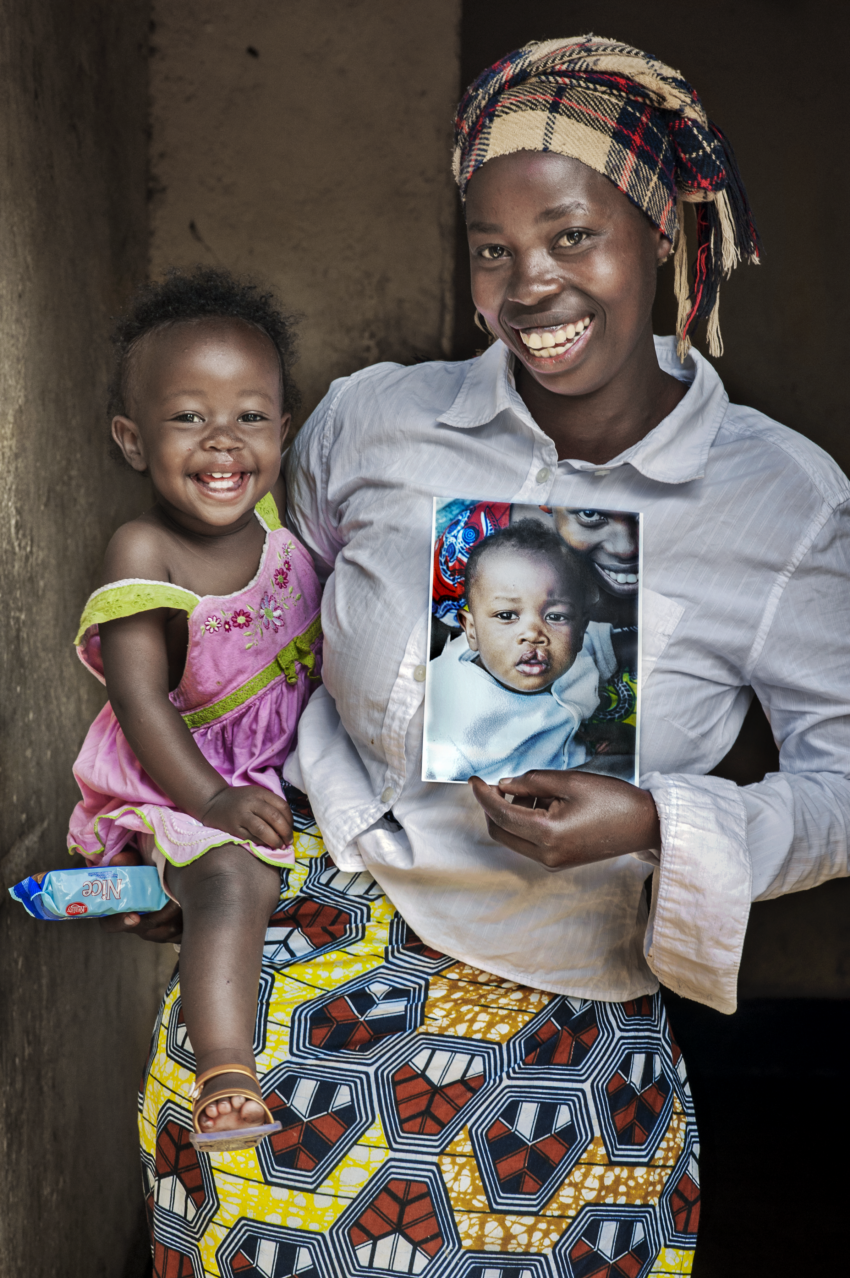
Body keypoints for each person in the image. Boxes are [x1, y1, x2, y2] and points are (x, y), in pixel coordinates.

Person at [130, 36, 849, 1276]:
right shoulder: (374, 421)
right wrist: (187, 822)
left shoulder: (783, 506)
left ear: (665, 236)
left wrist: (655, 822)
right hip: (304, 968)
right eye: (492, 249)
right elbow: (258, 629)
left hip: (569, 1025)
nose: (531, 288)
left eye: (572, 236)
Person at [69, 268, 322, 1151]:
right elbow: (139, 698)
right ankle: (226, 1074)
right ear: (132, 441)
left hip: (274, 765)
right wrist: (211, 803)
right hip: (184, 771)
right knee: (229, 879)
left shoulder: (283, 523)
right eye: (188, 418)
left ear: (285, 431)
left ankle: (137, 887)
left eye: (251, 416)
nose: (224, 442)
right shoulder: (146, 546)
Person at [423, 519, 618, 782]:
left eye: (556, 616)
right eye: (506, 615)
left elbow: (612, 643)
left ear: (581, 629)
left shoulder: (575, 652)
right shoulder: (452, 727)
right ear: (471, 631)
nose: (533, 634)